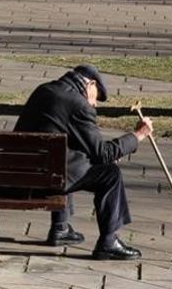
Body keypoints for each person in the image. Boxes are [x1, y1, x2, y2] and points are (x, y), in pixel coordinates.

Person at [14, 64, 154, 261]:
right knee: (110, 173)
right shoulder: (78, 104)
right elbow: (103, 154)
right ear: (91, 84)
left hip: (19, 174)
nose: (95, 103)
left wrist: (103, 153)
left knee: (64, 158)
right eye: (96, 96)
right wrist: (138, 135)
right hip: (46, 179)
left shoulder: (44, 90)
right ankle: (108, 241)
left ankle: (60, 227)